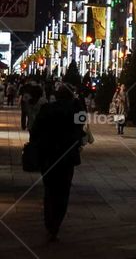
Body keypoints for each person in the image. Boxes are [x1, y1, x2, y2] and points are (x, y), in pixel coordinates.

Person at [29, 85, 85, 241]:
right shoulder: (74, 111)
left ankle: (49, 222)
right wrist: (78, 102)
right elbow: (82, 124)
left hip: (48, 156)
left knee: (49, 190)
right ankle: (55, 225)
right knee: (63, 192)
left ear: (56, 96)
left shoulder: (47, 109)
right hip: (66, 157)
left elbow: (34, 131)